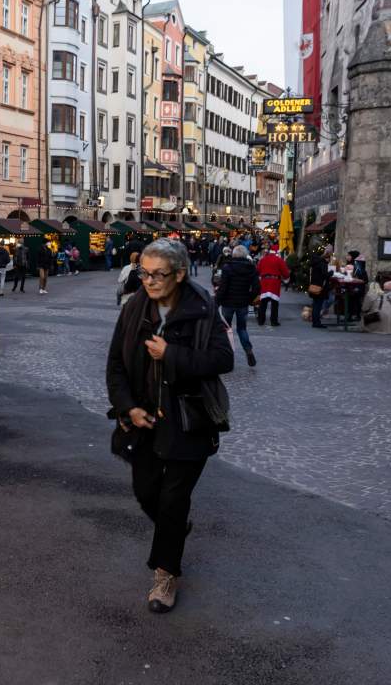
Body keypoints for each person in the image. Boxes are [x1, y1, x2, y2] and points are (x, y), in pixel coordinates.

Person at [106, 238, 234, 614]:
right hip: (144, 418)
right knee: (147, 491)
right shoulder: (133, 308)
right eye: (144, 273)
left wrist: (171, 354)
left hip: (187, 419)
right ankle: (173, 528)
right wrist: (128, 408)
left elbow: (223, 359)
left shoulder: (203, 308)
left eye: (157, 274)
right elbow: (115, 364)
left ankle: (165, 575)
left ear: (179, 274)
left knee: (173, 499)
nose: (148, 281)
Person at [217, 245, 260, 367]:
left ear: (233, 254)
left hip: (228, 302)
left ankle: (227, 353)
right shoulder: (251, 268)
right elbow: (257, 287)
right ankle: (248, 349)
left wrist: (216, 302)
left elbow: (223, 287)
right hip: (242, 303)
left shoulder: (227, 267)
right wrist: (249, 299)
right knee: (242, 328)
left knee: (226, 328)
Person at [256, 248, 290, 327]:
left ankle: (261, 320)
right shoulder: (279, 260)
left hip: (264, 281)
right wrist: (286, 278)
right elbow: (286, 273)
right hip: (274, 282)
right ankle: (274, 321)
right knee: (274, 303)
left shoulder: (263, 259)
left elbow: (257, 270)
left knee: (263, 302)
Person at [308, 245, 333, 329]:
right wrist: (331, 273)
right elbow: (325, 275)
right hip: (320, 287)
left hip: (314, 285)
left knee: (315, 304)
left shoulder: (315, 263)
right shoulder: (323, 263)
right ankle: (317, 322)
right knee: (318, 305)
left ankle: (315, 321)